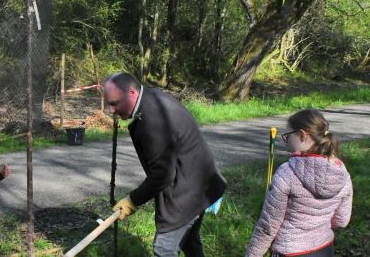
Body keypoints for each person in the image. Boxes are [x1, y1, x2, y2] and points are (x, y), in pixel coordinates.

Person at [104, 72, 226, 257]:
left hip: (189, 192)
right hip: (200, 183)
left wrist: (132, 201)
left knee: (164, 249)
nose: (111, 110)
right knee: (190, 241)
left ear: (131, 93)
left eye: (114, 103)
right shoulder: (151, 99)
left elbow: (162, 175)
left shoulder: (153, 120)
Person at [247, 109, 352, 257]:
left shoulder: (287, 173)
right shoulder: (341, 171)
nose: (286, 141)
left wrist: (252, 254)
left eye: (288, 136)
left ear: (302, 135)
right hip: (324, 250)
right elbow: (342, 221)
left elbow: (268, 227)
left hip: (289, 252)